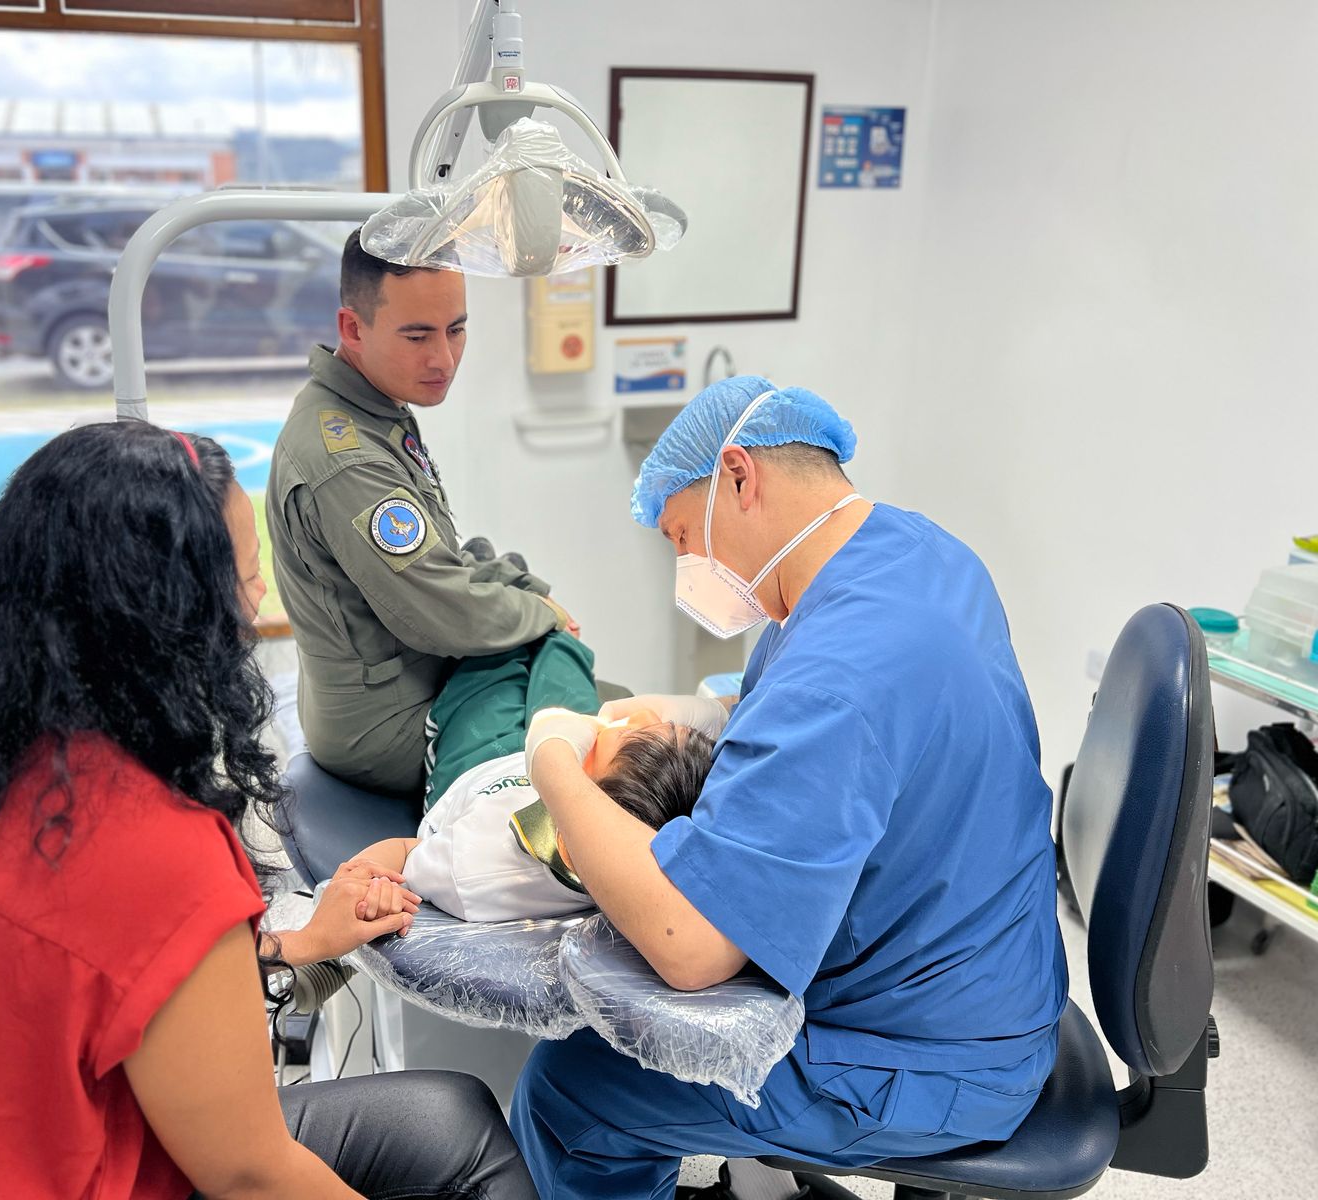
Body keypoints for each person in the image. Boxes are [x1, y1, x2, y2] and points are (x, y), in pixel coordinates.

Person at [0, 422, 539, 1200]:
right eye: (246, 576)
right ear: (169, 615)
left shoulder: (12, 771)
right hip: (95, 1177)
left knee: (453, 1115)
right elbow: (249, 1176)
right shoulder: (159, 848)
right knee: (467, 1152)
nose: (258, 599)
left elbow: (118, 981)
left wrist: (303, 942)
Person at [509, 377, 1069, 1199]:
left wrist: (553, 762)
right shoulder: (917, 553)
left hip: (929, 1059)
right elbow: (830, 721)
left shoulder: (836, 676)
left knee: (574, 1087)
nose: (688, 568)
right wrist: (703, 713)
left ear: (739, 476)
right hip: (995, 985)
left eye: (681, 538)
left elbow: (690, 947)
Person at [265, 230, 579, 799]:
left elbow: (440, 554)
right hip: (386, 725)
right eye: (417, 336)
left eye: (456, 330)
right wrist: (540, 612)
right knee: (593, 745)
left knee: (577, 689)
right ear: (352, 328)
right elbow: (443, 613)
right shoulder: (346, 458)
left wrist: (524, 590)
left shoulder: (372, 407)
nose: (443, 359)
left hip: (410, 680)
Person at [353, 627, 714, 922]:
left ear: (590, 795)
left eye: (620, 733)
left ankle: (512, 605)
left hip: (478, 764)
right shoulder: (623, 790)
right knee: (563, 646)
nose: (642, 717)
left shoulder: (471, 869)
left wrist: (365, 886)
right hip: (558, 745)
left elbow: (402, 853)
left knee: (492, 659)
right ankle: (541, 615)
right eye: (664, 725)